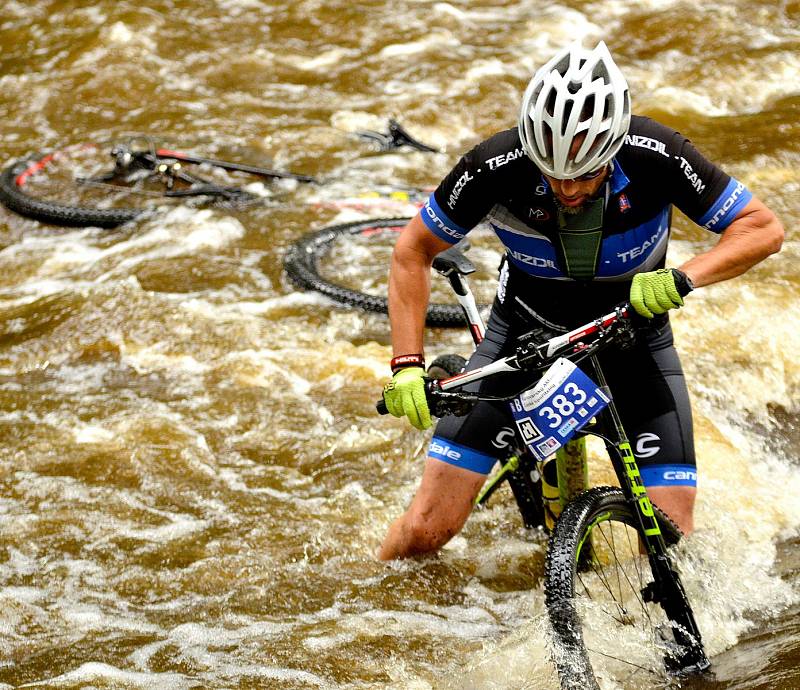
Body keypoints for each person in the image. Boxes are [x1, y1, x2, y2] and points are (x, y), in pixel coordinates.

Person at [378, 41, 783, 560]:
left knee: (670, 541)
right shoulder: (493, 165)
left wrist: (682, 278)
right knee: (424, 533)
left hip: (634, 338)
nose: (567, 189)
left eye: (586, 174)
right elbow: (413, 251)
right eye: (553, 174)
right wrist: (406, 366)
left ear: (614, 148)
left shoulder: (656, 152)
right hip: (522, 336)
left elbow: (762, 228)